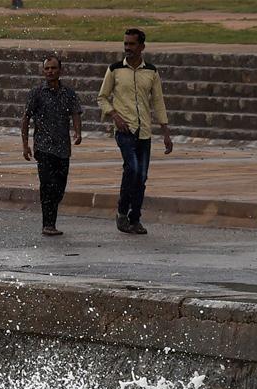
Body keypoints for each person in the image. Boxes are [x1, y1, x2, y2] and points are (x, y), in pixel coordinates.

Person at [97, 28, 173, 235]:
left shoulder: (151, 71)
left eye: (132, 44)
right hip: (124, 129)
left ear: (142, 47)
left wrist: (165, 131)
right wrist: (114, 115)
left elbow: (158, 101)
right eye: (126, 44)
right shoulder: (114, 70)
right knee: (132, 168)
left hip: (144, 132)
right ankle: (122, 211)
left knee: (141, 175)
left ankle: (135, 218)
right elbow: (102, 97)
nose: (127, 48)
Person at [21, 55, 82, 237]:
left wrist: (78, 132)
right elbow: (25, 119)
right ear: (43, 71)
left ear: (60, 70)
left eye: (53, 68)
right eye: (47, 68)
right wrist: (25, 145)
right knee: (47, 185)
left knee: (59, 187)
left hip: (63, 149)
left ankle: (51, 218)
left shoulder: (68, 93)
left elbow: (76, 113)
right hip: (43, 147)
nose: (50, 71)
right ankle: (48, 224)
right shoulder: (37, 93)